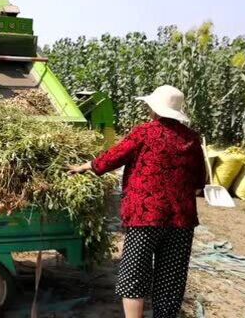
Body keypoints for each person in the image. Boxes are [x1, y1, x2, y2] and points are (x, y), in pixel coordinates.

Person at [69, 85, 205, 318]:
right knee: (171, 279)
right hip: (181, 220)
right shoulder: (192, 139)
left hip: (146, 217)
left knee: (134, 273)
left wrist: (87, 166)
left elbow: (115, 156)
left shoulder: (145, 132)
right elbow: (199, 181)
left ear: (154, 109)